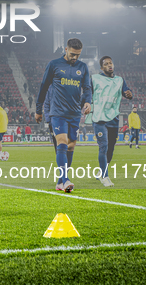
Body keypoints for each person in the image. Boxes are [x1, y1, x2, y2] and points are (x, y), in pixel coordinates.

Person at [35, 38, 92, 193]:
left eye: (78, 55)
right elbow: (44, 87)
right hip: (57, 112)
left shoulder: (83, 67)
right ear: (66, 49)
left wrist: (88, 102)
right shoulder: (54, 65)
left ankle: (60, 182)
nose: (75, 58)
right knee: (62, 142)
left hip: (74, 112)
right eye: (72, 54)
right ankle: (66, 179)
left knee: (71, 145)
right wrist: (38, 109)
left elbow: (87, 88)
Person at [86, 56, 133, 187]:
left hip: (113, 117)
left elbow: (127, 92)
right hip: (99, 117)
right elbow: (87, 93)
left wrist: (129, 94)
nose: (109, 65)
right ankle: (105, 177)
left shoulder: (120, 80)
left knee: (110, 149)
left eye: (111, 63)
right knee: (104, 146)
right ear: (101, 68)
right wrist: (87, 104)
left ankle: (101, 172)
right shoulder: (95, 79)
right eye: (106, 64)